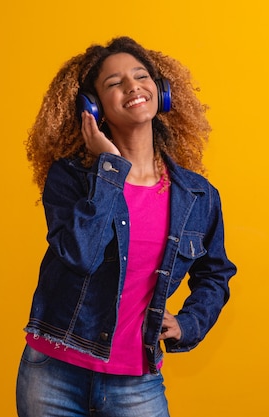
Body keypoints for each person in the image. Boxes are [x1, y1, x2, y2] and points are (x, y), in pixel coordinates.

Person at [16, 36, 237, 417]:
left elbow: (215, 273)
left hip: (136, 382)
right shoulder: (70, 179)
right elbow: (81, 255)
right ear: (93, 107)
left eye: (141, 76)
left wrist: (188, 324)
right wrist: (110, 171)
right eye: (114, 83)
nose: (132, 86)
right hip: (54, 372)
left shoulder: (197, 195)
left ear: (162, 91)